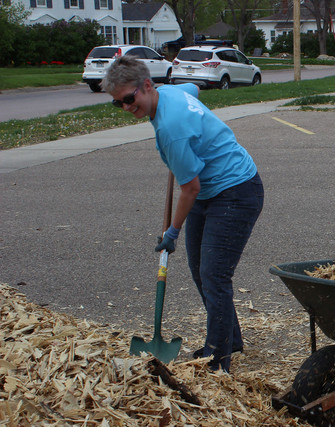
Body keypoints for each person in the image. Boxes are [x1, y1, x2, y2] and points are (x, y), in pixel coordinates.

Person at [103, 55, 264, 373]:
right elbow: (193, 88)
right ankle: (229, 339)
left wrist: (172, 232)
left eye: (128, 99)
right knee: (199, 268)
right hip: (210, 191)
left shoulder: (170, 129)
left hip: (236, 191)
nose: (125, 107)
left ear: (147, 86)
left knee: (214, 276)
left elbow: (189, 187)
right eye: (117, 103)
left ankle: (218, 364)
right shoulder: (172, 92)